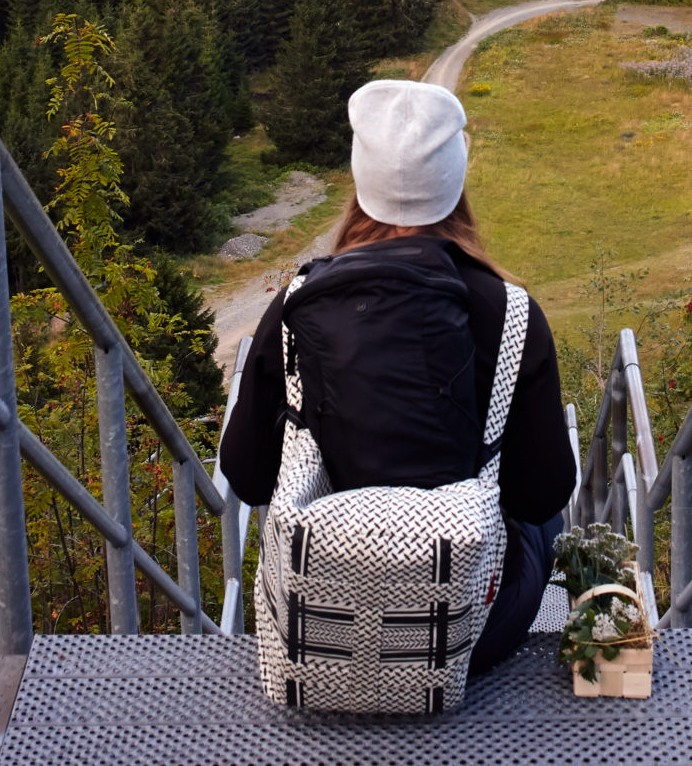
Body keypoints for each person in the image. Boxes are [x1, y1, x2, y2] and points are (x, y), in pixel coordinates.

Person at [221, 78, 574, 675]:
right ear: (456, 181)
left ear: (361, 180)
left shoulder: (296, 306)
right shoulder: (513, 313)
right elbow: (541, 493)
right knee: (548, 524)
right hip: (467, 631)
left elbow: (247, 477)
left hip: (321, 623)